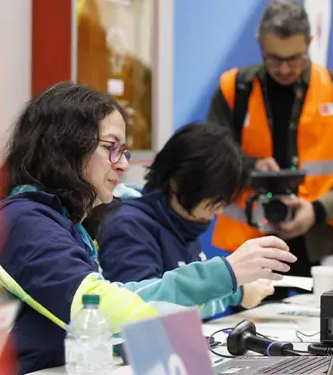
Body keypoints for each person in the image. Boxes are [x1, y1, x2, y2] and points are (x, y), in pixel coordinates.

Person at [0, 83, 296, 373]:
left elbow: (112, 307)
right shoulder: (21, 222)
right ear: (66, 148)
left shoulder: (64, 223)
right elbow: (96, 307)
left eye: (124, 151)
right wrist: (223, 279)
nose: (122, 164)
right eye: (111, 148)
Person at [206, 0, 333, 296]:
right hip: (250, 247)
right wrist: (250, 167)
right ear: (259, 43)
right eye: (274, 58)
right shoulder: (234, 89)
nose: (284, 68)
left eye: (295, 58)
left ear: (309, 43)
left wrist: (318, 210)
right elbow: (209, 160)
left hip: (324, 247)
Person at [96, 123, 275, 313]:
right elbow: (142, 306)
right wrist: (234, 293)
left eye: (224, 201)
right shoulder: (128, 225)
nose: (219, 211)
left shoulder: (183, 222)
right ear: (176, 182)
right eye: (214, 199)